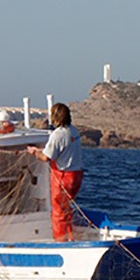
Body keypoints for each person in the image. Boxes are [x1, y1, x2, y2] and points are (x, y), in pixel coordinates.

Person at [26, 103, 84, 242]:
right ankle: (70, 237)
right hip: (77, 175)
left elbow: (46, 158)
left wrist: (34, 152)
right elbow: (61, 150)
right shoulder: (74, 131)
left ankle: (60, 241)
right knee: (67, 208)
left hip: (63, 177)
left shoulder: (57, 135)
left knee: (58, 211)